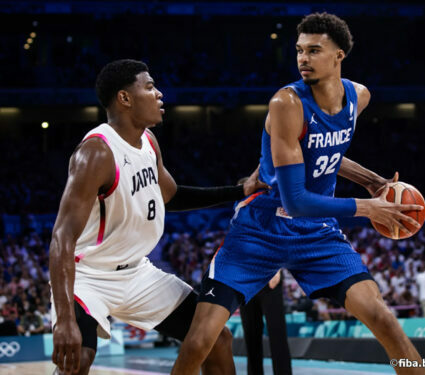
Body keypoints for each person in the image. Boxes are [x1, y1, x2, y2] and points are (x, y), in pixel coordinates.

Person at [171, 12, 425, 375]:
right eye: (299, 50)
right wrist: (369, 207)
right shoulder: (286, 103)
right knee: (199, 342)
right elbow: (297, 201)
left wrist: (370, 179)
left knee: (383, 319)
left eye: (314, 50)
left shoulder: (359, 97)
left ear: (339, 55)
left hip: (317, 232)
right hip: (260, 229)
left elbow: (325, 152)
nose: (303, 58)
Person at [49, 59, 267, 375]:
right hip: (89, 277)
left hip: (137, 273)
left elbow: (171, 196)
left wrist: (240, 190)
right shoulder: (96, 152)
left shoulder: (149, 142)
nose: (159, 94)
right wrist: (65, 319)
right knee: (77, 360)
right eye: (150, 87)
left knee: (215, 337)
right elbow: (61, 238)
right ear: (125, 98)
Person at [240, 269, 292, 375]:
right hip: (245, 281)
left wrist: (277, 269)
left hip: (269, 277)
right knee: (251, 336)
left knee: (277, 335)